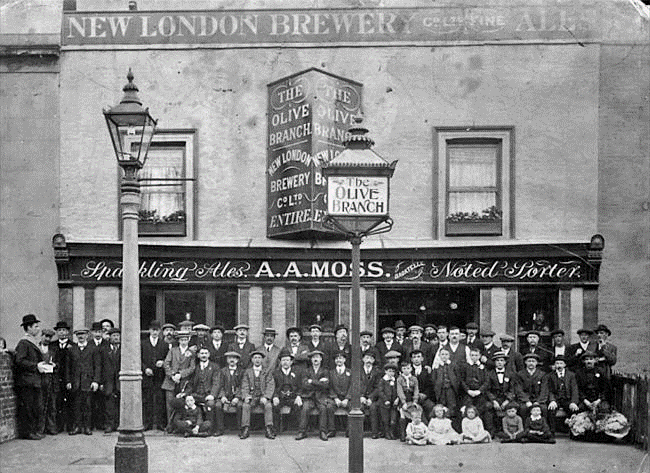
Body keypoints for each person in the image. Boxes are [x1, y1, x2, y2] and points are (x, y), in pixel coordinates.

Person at [176, 346, 220, 436]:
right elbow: (191, 384)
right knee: (182, 401)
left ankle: (209, 429)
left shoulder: (215, 367)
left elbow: (216, 382)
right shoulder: (195, 368)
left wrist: (212, 394)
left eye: (206, 353)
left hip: (207, 395)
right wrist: (185, 393)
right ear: (198, 355)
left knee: (210, 404)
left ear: (209, 355)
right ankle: (186, 427)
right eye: (202, 353)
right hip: (196, 394)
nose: (204, 355)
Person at [66, 327, 101, 436]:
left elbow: (97, 366)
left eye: (83, 334)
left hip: (88, 381)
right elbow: (68, 367)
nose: (81, 336)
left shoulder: (93, 349)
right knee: (76, 405)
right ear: (76, 336)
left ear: (87, 335)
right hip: (75, 382)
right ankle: (76, 427)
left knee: (87, 405)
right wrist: (68, 381)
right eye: (79, 334)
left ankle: (87, 427)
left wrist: (95, 381)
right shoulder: (71, 349)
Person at [162, 330, 196, 432]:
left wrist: (180, 374)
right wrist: (172, 375)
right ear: (179, 341)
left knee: (182, 404)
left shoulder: (191, 353)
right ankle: (170, 426)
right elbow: (166, 363)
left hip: (184, 382)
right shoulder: (173, 350)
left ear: (189, 340)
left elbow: (192, 367)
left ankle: (180, 427)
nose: (183, 342)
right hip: (170, 381)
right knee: (169, 405)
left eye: (185, 339)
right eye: (181, 340)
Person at [296, 350, 332, 441]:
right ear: (311, 360)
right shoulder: (306, 371)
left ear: (321, 359)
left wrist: (312, 381)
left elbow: (326, 385)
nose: (315, 359)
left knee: (323, 408)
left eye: (317, 357)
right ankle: (302, 431)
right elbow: (304, 385)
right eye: (313, 357)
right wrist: (319, 382)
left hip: (321, 396)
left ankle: (323, 431)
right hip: (309, 396)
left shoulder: (325, 371)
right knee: (305, 408)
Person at [240, 350, 275, 439]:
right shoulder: (248, 372)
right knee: (246, 405)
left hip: (263, 396)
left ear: (262, 360)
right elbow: (244, 385)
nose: (257, 360)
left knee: (268, 406)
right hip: (252, 396)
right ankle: (245, 429)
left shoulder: (267, 371)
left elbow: (270, 385)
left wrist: (266, 397)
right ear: (252, 360)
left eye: (259, 358)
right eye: (255, 358)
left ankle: (268, 429)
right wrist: (246, 396)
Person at [540, 354, 579, 433]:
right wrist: (552, 400)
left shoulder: (571, 375)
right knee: (551, 410)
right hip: (556, 399)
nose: (559, 365)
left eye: (561, 363)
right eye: (557, 363)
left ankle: (573, 432)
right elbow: (549, 390)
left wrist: (573, 402)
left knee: (574, 410)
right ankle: (552, 432)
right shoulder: (550, 376)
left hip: (567, 399)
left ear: (565, 365)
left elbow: (574, 389)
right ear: (554, 365)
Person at [141, 320, 168, 431]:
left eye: (157, 330)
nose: (155, 332)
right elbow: (139, 359)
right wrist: (145, 368)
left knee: (160, 400)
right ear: (149, 330)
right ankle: (147, 423)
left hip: (159, 376)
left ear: (160, 331)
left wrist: (163, 362)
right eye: (153, 330)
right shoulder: (143, 343)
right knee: (147, 400)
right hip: (147, 376)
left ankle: (160, 424)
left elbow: (168, 359)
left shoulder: (164, 344)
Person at [485, 351, 517, 436]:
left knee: (514, 406)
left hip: (506, 399)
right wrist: (493, 400)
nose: (499, 362)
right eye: (497, 360)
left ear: (505, 362)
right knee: (487, 407)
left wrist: (507, 400)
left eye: (502, 360)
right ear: (494, 362)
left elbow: (512, 389)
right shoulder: (489, 374)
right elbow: (487, 389)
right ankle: (491, 431)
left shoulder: (510, 373)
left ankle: (510, 431)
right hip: (494, 398)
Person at [272, 349, 302, 435]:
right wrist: (275, 396)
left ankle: (300, 430)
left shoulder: (297, 372)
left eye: (287, 360)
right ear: (280, 362)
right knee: (274, 406)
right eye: (283, 360)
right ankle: (275, 429)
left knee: (299, 406)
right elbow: (272, 386)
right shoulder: (276, 373)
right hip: (280, 397)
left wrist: (298, 396)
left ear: (291, 362)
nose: (285, 362)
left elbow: (300, 386)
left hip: (292, 397)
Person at [52, 321, 73, 433]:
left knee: (70, 402)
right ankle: (59, 426)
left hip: (68, 378)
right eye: (59, 330)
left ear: (68, 332)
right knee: (58, 402)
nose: (62, 332)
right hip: (56, 378)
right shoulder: (52, 345)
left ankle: (70, 426)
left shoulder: (73, 346)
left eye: (64, 330)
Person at [215, 351, 243, 436]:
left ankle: (241, 429)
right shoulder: (222, 371)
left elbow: (243, 386)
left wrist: (237, 397)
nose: (232, 360)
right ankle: (220, 429)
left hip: (237, 397)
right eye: (230, 358)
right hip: (225, 395)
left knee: (240, 406)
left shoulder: (242, 371)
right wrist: (222, 396)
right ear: (227, 360)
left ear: (237, 360)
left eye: (234, 358)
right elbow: (220, 385)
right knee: (218, 406)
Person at [431, 348, 460, 429]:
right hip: (441, 390)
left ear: (449, 355)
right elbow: (433, 379)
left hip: (451, 390)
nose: (444, 356)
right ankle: (442, 427)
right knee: (441, 406)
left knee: (452, 407)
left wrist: (454, 386)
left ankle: (453, 427)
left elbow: (457, 378)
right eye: (442, 354)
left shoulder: (453, 365)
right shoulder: (436, 366)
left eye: (446, 354)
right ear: (439, 355)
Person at [459, 347, 489, 421]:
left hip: (479, 393)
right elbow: (462, 380)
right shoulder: (465, 366)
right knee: (467, 408)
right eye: (472, 355)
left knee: (481, 409)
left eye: (476, 355)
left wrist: (479, 391)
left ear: (479, 356)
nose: (474, 357)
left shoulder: (483, 367)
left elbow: (486, 381)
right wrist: (468, 390)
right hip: (468, 393)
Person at [100, 328, 121, 433]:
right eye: (114, 336)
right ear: (110, 337)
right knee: (109, 404)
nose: (116, 337)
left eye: (117, 335)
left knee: (120, 404)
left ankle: (119, 424)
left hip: (120, 381)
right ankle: (109, 425)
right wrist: (100, 382)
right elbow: (100, 366)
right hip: (108, 381)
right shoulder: (104, 349)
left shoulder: (124, 350)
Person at [38, 328, 58, 436]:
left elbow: (59, 363)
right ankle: (40, 428)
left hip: (51, 379)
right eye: (45, 336)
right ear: (41, 336)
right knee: (40, 405)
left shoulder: (54, 349)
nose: (47, 339)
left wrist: (55, 365)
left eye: (49, 337)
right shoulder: (36, 348)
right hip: (40, 379)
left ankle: (51, 427)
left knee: (52, 405)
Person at [515, 352, 546, 418]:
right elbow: (519, 389)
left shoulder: (542, 374)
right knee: (523, 409)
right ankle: (525, 427)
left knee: (543, 409)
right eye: (529, 361)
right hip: (525, 400)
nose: (531, 363)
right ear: (525, 362)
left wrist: (538, 402)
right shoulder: (520, 374)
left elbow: (544, 390)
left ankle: (542, 427)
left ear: (536, 363)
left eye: (533, 361)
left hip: (538, 400)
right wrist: (526, 401)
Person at [328, 351, 350, 437]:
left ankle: (349, 430)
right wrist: (335, 398)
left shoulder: (350, 372)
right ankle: (331, 430)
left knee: (353, 408)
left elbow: (352, 386)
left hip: (347, 398)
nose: (338, 360)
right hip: (335, 398)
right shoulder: (331, 372)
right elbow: (329, 387)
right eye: (336, 359)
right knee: (329, 407)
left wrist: (347, 398)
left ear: (344, 360)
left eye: (340, 358)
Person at [359, 351, 381, 439]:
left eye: (371, 359)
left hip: (372, 397)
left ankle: (374, 432)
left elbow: (378, 387)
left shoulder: (377, 371)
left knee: (373, 408)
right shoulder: (358, 370)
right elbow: (354, 384)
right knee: (358, 408)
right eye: (367, 358)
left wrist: (371, 398)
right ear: (363, 359)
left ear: (374, 360)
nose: (368, 360)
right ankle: (357, 432)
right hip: (360, 397)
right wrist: (360, 396)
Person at [396, 360, 419, 441]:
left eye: (408, 368)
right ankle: (402, 434)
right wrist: (403, 402)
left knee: (414, 413)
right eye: (404, 368)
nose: (406, 370)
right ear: (402, 369)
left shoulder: (414, 379)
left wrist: (415, 401)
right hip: (403, 398)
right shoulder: (399, 379)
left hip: (411, 397)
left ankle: (414, 433)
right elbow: (399, 391)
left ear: (411, 369)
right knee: (402, 413)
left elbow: (416, 390)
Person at [89, 321, 106, 431]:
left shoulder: (107, 344)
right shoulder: (89, 344)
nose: (98, 334)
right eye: (95, 332)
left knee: (102, 402)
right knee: (90, 402)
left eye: (100, 331)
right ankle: (91, 424)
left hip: (104, 378)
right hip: (91, 378)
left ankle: (101, 424)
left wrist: (102, 381)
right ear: (92, 332)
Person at [377, 363, 399, 440]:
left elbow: (398, 390)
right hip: (384, 403)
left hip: (394, 403)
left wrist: (397, 398)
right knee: (385, 419)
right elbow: (380, 391)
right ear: (386, 371)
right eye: (389, 371)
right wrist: (385, 400)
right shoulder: (382, 380)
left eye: (393, 371)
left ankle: (391, 432)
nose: (391, 373)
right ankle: (386, 433)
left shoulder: (396, 380)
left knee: (393, 419)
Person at [410, 349, 434, 421]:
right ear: (411, 359)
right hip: (412, 398)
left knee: (431, 406)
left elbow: (430, 385)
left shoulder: (427, 370)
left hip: (424, 397)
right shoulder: (408, 370)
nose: (416, 359)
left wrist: (425, 394)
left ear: (422, 358)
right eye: (414, 357)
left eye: (418, 357)